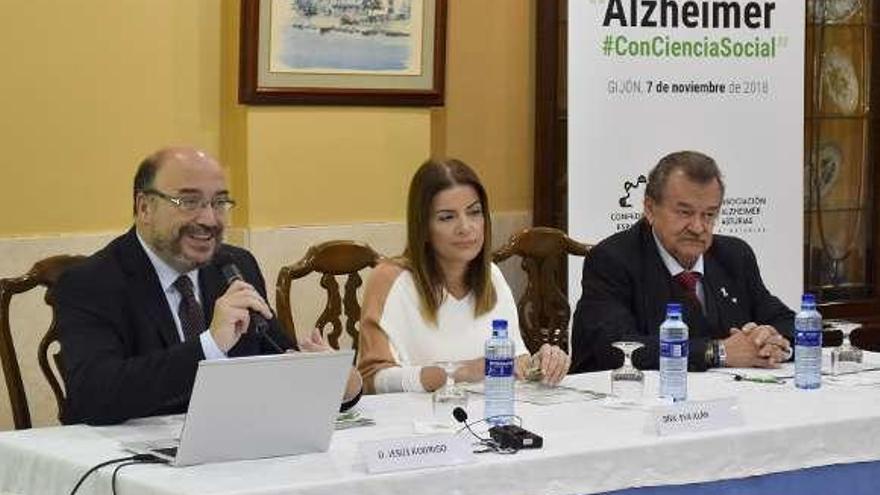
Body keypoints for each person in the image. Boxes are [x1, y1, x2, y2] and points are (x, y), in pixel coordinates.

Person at [56, 146, 362, 425]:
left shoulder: (235, 266)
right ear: (144, 208)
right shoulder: (91, 282)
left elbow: (277, 355)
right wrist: (210, 347)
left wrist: (333, 380)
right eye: (189, 202)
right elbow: (94, 396)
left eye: (219, 202)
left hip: (232, 455)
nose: (209, 219)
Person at [357, 158, 570, 394]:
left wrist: (540, 364)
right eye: (447, 217)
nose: (466, 227)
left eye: (474, 212)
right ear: (423, 227)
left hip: (488, 419)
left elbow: (514, 363)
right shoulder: (389, 279)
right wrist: (460, 373)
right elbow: (372, 381)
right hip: (419, 423)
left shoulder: (492, 276)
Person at [571, 150, 794, 373]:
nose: (698, 228)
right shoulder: (612, 260)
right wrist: (716, 352)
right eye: (684, 213)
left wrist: (771, 341)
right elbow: (616, 349)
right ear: (650, 209)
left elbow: (789, 322)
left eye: (709, 215)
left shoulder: (734, 256)